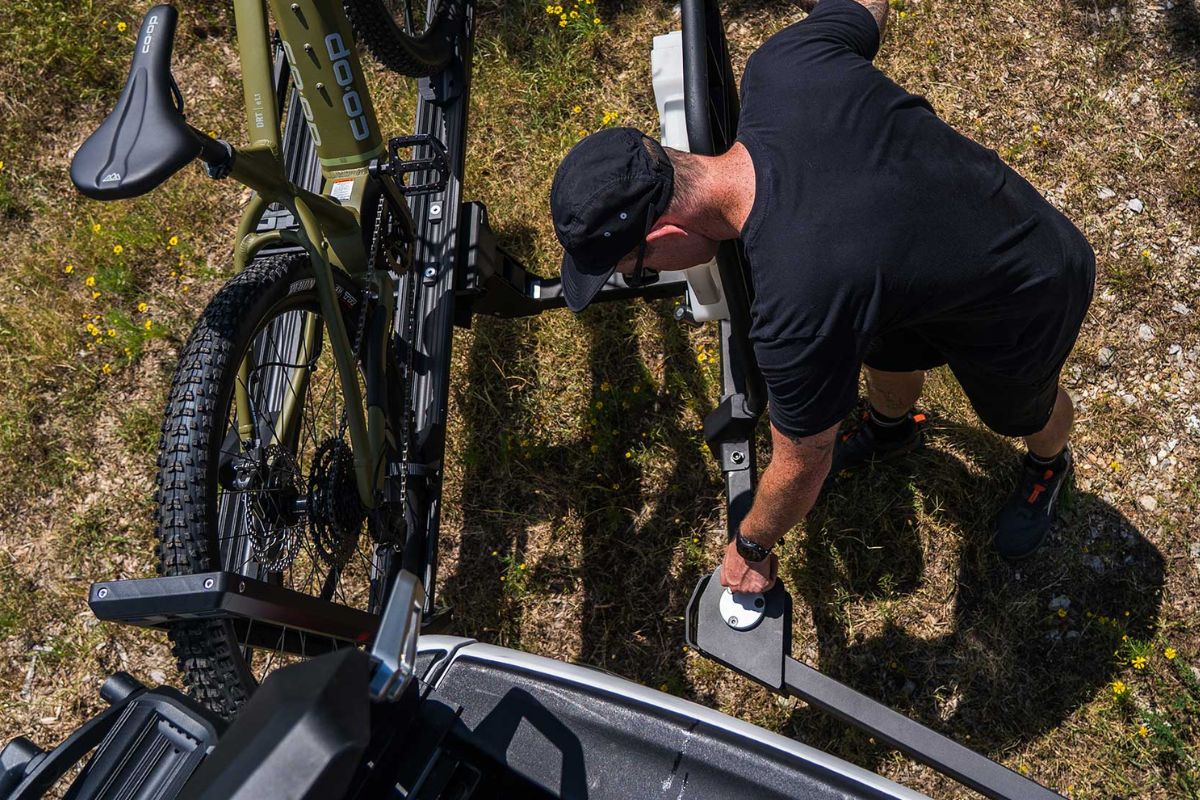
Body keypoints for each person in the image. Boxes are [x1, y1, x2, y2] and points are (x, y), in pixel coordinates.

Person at [548, 0, 1095, 593]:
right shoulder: (784, 65)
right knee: (883, 350)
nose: (649, 274)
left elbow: (802, 464)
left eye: (640, 269)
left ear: (663, 234)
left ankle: (1049, 464)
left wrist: (750, 546)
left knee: (1020, 412)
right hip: (906, 272)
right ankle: (891, 426)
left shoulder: (797, 307)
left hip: (1029, 282)